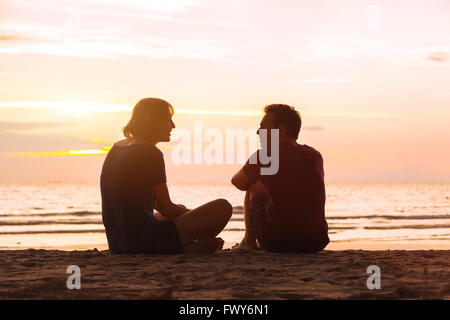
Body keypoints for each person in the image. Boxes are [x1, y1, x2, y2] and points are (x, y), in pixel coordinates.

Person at [100, 98, 232, 254]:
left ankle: (191, 245)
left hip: (118, 241)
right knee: (222, 207)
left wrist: (187, 214)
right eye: (168, 120)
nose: (173, 125)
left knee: (177, 210)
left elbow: (150, 203)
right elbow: (167, 208)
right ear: (154, 121)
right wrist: (198, 216)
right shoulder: (149, 152)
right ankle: (193, 246)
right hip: (141, 241)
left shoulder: (117, 148)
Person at [231, 104, 329, 253]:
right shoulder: (315, 155)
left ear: (280, 131)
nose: (258, 132)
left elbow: (237, 181)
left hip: (278, 242)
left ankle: (248, 241)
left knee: (254, 183)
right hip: (316, 242)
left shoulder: (266, 156)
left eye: (263, 127)